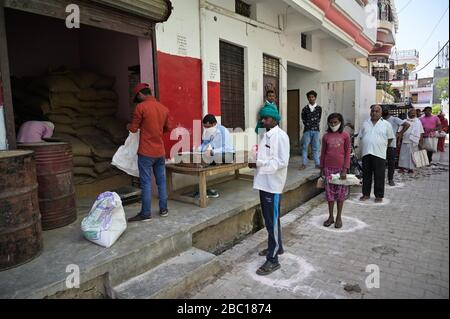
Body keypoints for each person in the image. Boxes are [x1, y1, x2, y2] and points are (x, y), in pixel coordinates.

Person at [248, 106, 289, 276]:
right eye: (262, 118)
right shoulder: (266, 134)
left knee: (272, 222)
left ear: (274, 119)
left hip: (272, 185)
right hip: (263, 183)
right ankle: (276, 248)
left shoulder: (281, 137)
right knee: (270, 220)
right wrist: (254, 159)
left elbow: (281, 162)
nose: (263, 121)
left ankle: (273, 260)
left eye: (266, 118)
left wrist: (257, 164)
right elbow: (265, 157)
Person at [127, 83, 171, 222]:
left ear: (140, 94)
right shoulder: (163, 108)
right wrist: (156, 133)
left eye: (137, 97)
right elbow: (167, 128)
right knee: (161, 181)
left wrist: (128, 125)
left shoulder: (141, 107)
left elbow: (133, 129)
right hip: (160, 152)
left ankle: (145, 213)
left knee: (146, 183)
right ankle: (163, 209)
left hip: (146, 151)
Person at [320, 113, 351, 229]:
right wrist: (321, 168)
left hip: (340, 169)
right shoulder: (326, 136)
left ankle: (339, 217)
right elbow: (323, 153)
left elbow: (347, 153)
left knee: (340, 194)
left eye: (335, 122)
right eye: (331, 123)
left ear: (340, 122)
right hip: (328, 169)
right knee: (329, 194)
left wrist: (345, 169)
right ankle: (330, 216)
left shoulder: (345, 136)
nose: (333, 124)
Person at [359, 105, 394, 203]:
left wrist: (382, 146)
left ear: (381, 113)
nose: (374, 113)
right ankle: (366, 194)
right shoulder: (365, 123)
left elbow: (390, 138)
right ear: (370, 112)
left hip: (379, 153)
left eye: (377, 111)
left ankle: (379, 196)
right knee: (366, 175)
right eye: (373, 111)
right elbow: (362, 137)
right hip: (366, 153)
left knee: (379, 175)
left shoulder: (386, 124)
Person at [195, 114, 235, 198]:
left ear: (213, 124)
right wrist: (198, 149)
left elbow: (226, 148)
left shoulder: (223, 131)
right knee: (200, 159)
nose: (206, 129)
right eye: (204, 127)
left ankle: (204, 192)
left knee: (208, 160)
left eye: (207, 127)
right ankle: (203, 190)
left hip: (229, 154)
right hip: (215, 155)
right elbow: (205, 144)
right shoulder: (208, 132)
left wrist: (212, 152)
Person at [382, 108, 410, 186]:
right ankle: (380, 178)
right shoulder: (380, 119)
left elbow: (407, 125)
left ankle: (390, 179)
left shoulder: (394, 119)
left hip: (391, 145)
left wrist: (400, 133)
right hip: (380, 144)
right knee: (381, 163)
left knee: (391, 163)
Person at [300, 90, 322, 170]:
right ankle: (304, 164)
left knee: (315, 147)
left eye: (312, 97)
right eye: (309, 97)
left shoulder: (319, 108)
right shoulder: (305, 109)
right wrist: (309, 126)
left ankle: (317, 164)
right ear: (307, 98)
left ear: (315, 98)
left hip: (316, 130)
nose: (311, 98)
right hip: (307, 130)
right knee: (305, 147)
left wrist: (314, 125)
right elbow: (303, 119)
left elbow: (319, 118)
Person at [398, 108, 424, 174]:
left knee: (412, 156)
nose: (413, 113)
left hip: (414, 142)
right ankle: (402, 168)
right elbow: (399, 132)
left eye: (414, 112)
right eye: (411, 112)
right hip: (405, 141)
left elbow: (421, 132)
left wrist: (421, 142)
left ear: (416, 113)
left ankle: (411, 169)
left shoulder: (418, 121)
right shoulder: (404, 121)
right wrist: (398, 141)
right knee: (403, 156)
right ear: (408, 113)